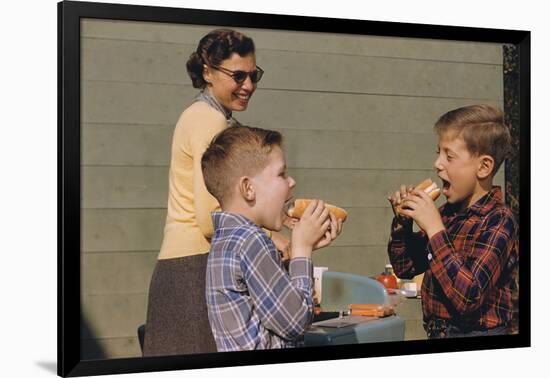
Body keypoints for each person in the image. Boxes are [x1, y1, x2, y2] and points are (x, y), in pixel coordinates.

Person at [143, 29, 291, 356]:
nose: (248, 85)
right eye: (238, 76)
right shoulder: (208, 120)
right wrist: (269, 237)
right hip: (192, 269)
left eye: (254, 76)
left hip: (189, 265)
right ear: (207, 72)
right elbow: (210, 218)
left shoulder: (210, 117)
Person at [201, 125, 343, 351]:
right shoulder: (252, 241)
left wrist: (301, 251)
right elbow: (295, 322)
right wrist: (302, 250)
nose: (292, 181)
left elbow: (269, 312)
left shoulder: (226, 239)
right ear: (248, 188)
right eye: (281, 174)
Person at [387, 104, 519, 339]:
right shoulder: (448, 213)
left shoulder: (499, 220)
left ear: (483, 167)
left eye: (449, 156)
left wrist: (435, 229)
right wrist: (403, 223)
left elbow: (468, 296)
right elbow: (405, 267)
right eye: (438, 153)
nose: (438, 163)